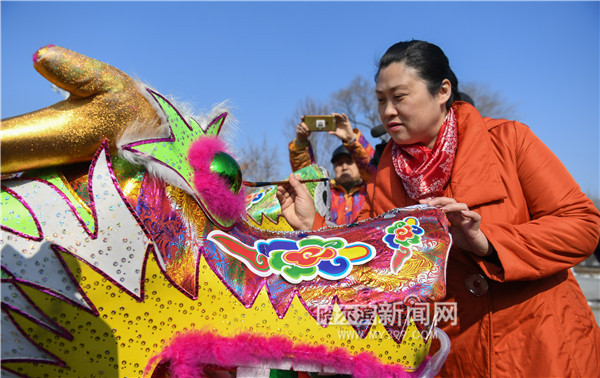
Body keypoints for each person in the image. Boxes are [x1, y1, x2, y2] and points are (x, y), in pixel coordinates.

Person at [277, 40, 600, 376]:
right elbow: (365, 265)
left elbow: (582, 225)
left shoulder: (509, 141)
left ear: (443, 90)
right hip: (451, 359)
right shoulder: (382, 177)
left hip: (539, 351)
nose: (387, 111)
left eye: (399, 97)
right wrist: (311, 224)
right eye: (381, 100)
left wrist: (486, 243)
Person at [288, 113, 376, 225]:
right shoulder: (325, 192)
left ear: (358, 165)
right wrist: (300, 143)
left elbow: (370, 165)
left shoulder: (372, 190)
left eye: (349, 162)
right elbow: (307, 174)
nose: (344, 167)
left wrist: (351, 139)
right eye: (339, 164)